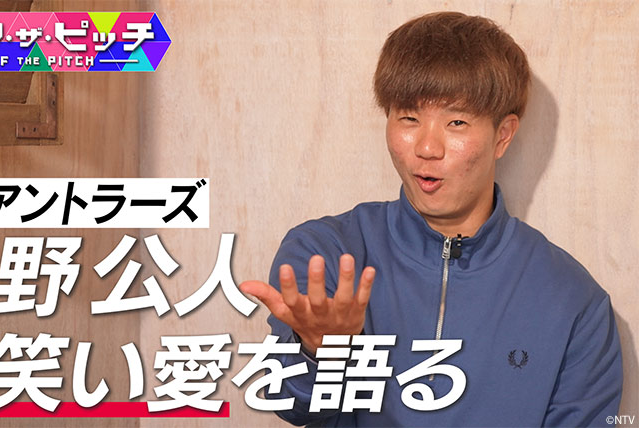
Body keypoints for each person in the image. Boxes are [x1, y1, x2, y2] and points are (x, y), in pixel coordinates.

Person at [239, 11, 623, 427]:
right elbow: (291, 405)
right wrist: (321, 352)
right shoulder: (327, 253)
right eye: (409, 117)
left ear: (503, 135)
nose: (426, 147)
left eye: (456, 122)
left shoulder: (574, 302)